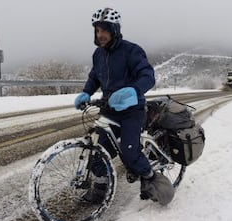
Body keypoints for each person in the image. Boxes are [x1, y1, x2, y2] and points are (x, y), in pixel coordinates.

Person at [74, 7, 174, 205]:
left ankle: (150, 179)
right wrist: (87, 91)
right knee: (98, 154)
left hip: (131, 111)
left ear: (115, 29)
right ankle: (101, 191)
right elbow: (95, 77)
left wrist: (133, 91)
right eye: (97, 30)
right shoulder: (98, 54)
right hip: (109, 110)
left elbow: (148, 76)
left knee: (130, 154)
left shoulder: (131, 50)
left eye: (104, 29)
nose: (100, 34)